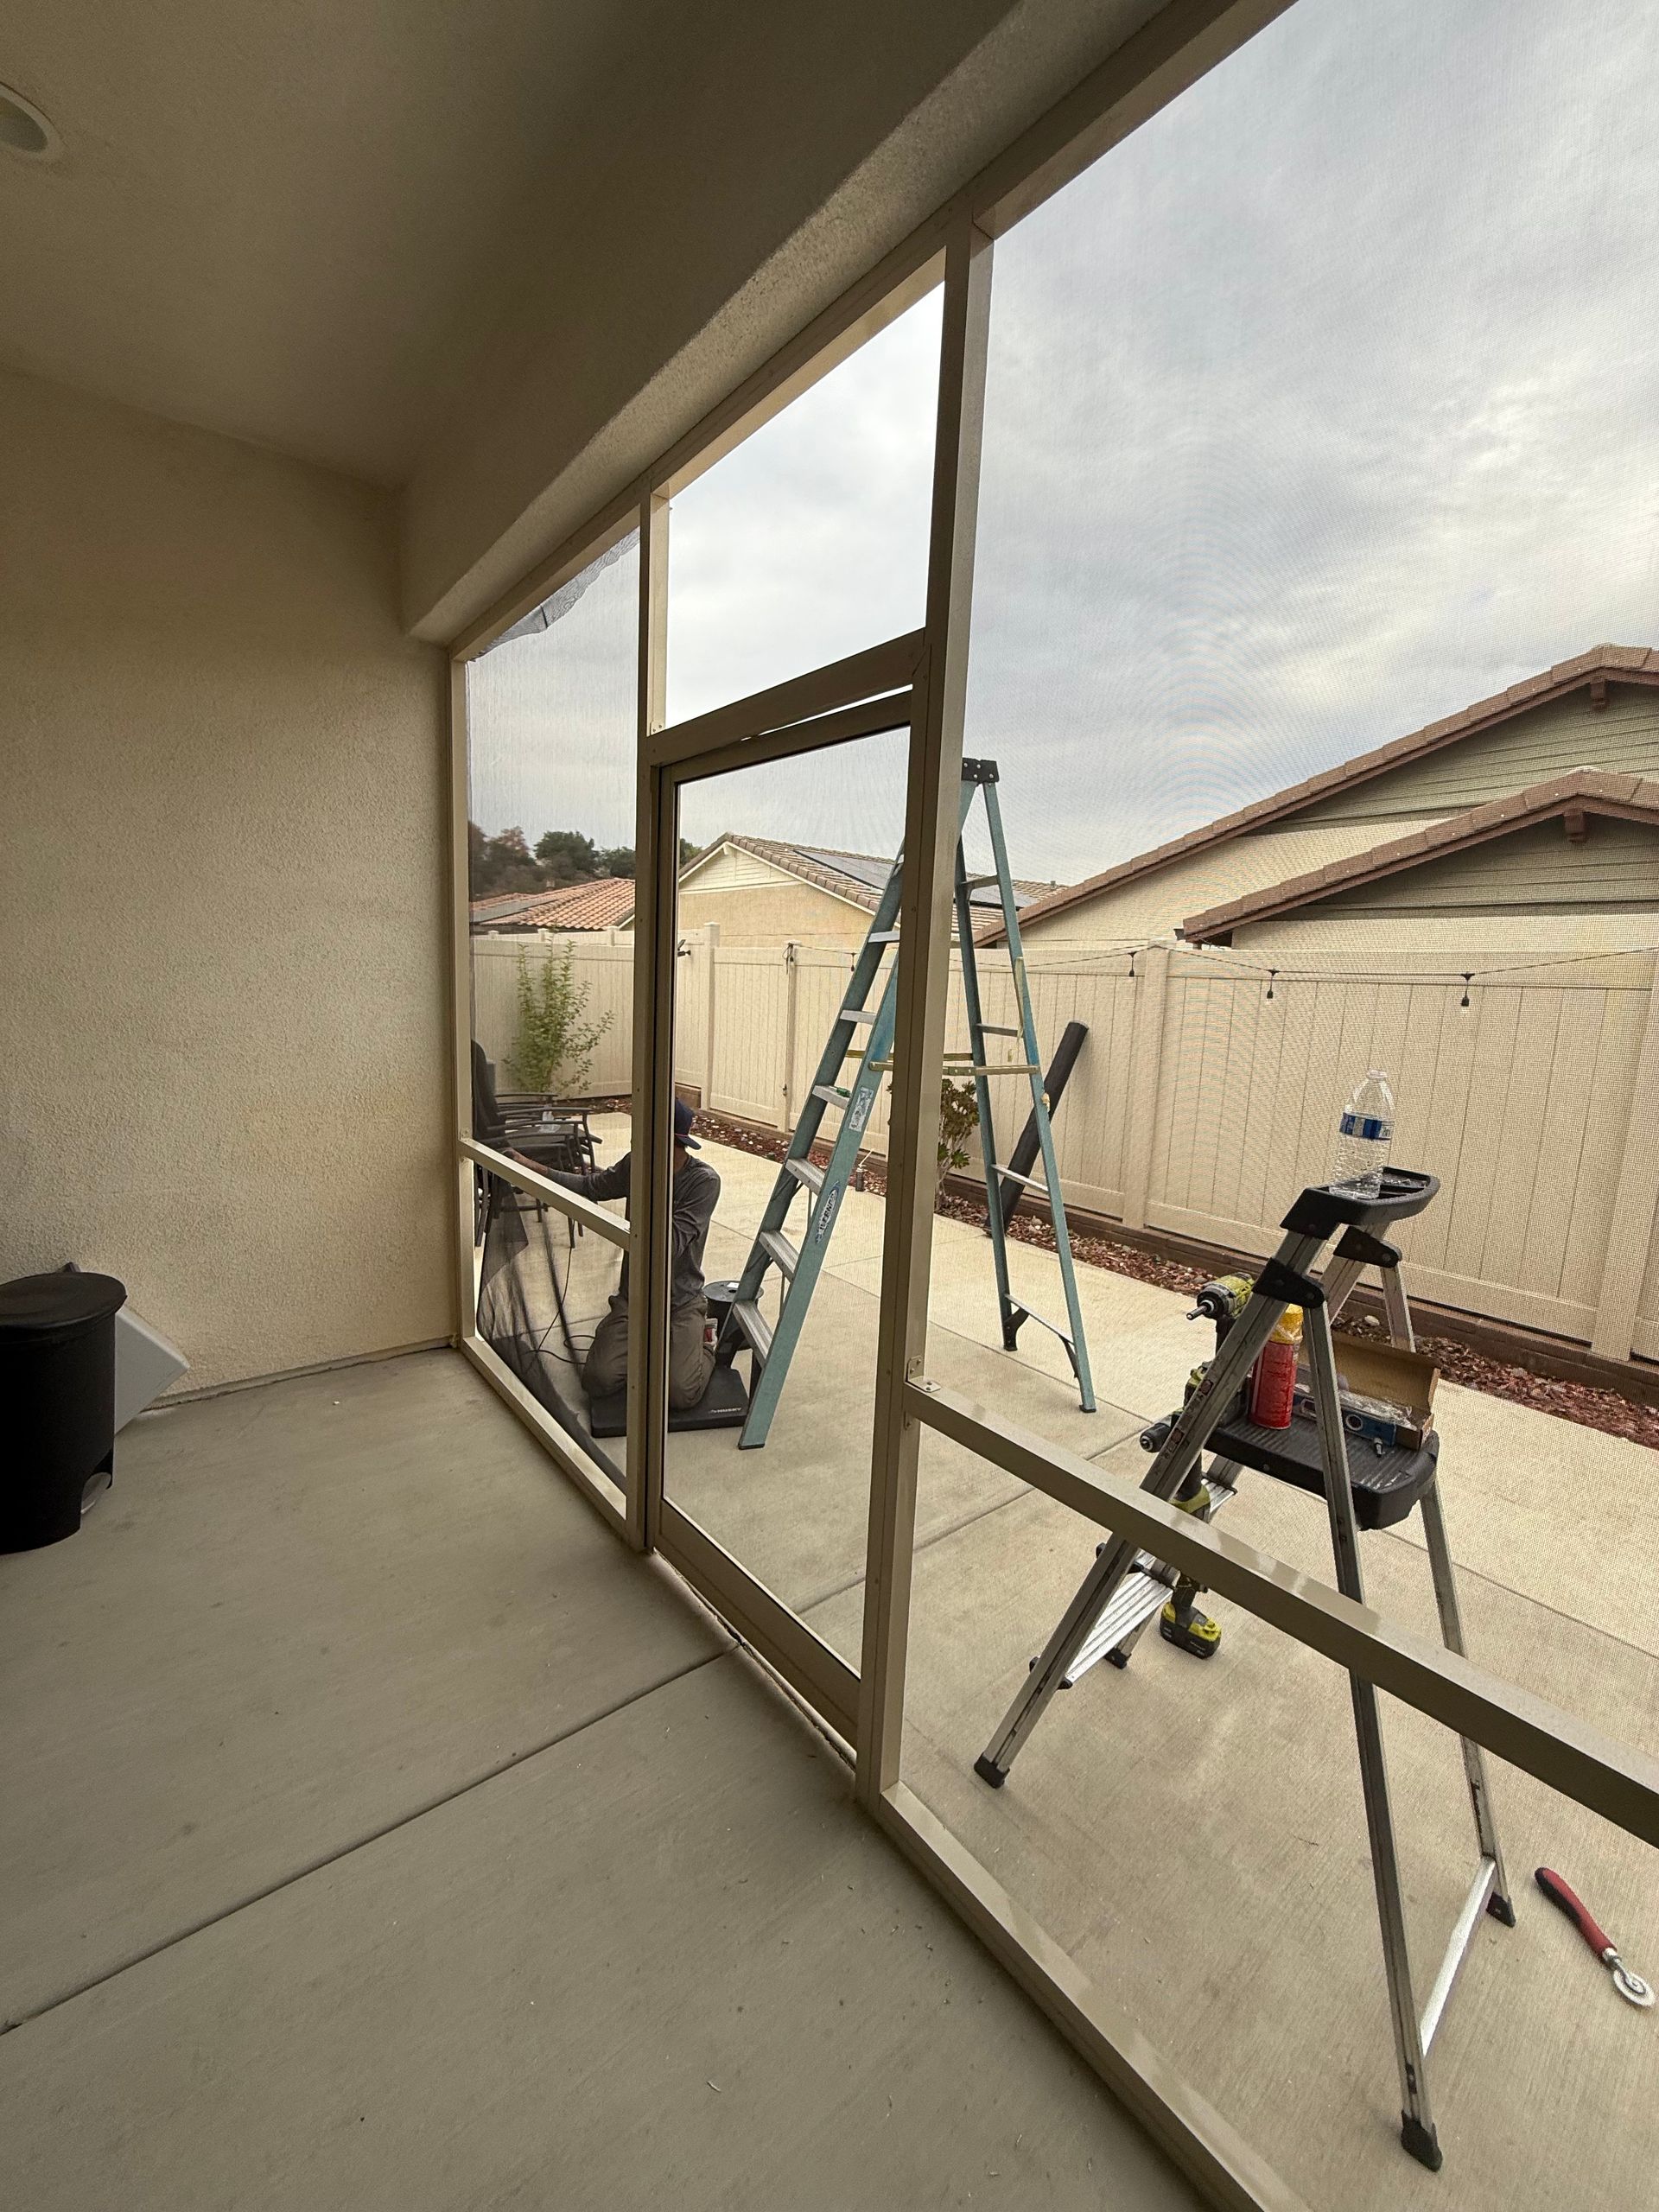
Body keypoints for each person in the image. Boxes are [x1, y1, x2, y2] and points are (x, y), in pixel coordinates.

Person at [543, 1098, 721, 1409]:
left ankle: (703, 1343)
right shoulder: (636, 1164)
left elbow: (670, 1246)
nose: (636, 1141)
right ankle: (645, 1343)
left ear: (670, 1140)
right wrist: (530, 1167)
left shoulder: (703, 1182)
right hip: (634, 1298)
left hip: (680, 1301)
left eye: (646, 1134)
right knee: (598, 1380)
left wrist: (655, 1186)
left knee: (679, 1392)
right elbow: (592, 1187)